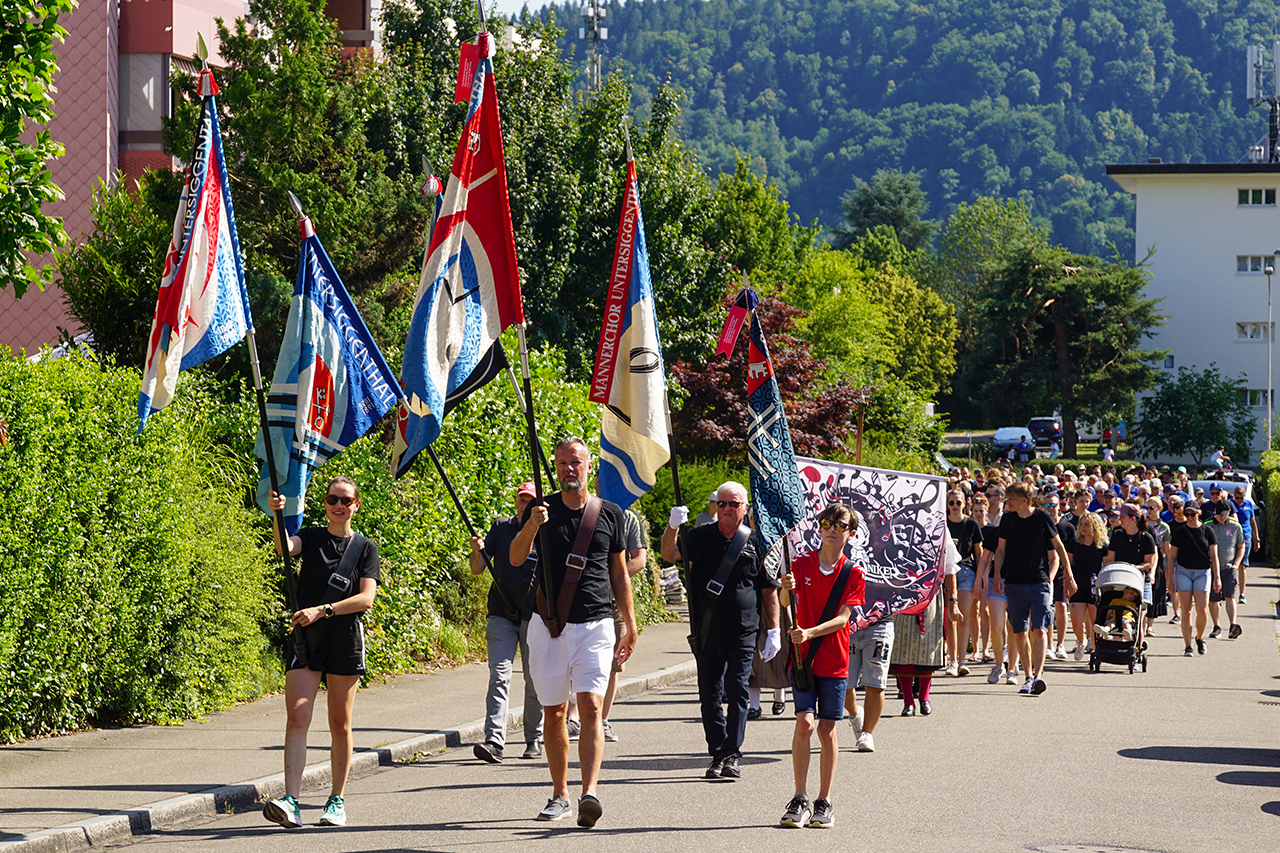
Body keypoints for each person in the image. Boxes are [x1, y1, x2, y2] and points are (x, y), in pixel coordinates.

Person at [510, 437, 636, 828]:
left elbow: (618, 573)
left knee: (592, 707)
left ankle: (590, 792)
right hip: (548, 626)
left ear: (588, 468)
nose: (569, 469)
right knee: (554, 711)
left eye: (576, 462)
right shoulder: (539, 509)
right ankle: (560, 792)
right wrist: (531, 525)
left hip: (596, 624)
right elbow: (515, 558)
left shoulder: (609, 513)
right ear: (556, 466)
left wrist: (630, 624)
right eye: (563, 462)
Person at [262, 478, 380, 830]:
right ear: (325, 504)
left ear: (356, 505)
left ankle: (336, 801)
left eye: (345, 500)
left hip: (344, 638)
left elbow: (366, 598)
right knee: (297, 718)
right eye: (332, 499)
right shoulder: (312, 537)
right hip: (306, 640)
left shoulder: (364, 548)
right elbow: (285, 548)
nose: (338, 505)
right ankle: (291, 801)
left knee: (339, 724)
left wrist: (324, 609)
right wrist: (278, 514)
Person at [661, 482, 781, 781]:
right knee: (709, 694)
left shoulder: (757, 541)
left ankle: (732, 754)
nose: (727, 509)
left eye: (734, 504)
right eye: (722, 503)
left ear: (745, 508)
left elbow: (768, 590)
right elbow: (668, 554)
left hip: (744, 630)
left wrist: (775, 630)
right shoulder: (700, 536)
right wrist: (673, 526)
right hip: (707, 629)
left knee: (738, 689)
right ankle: (717, 752)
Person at [777, 504, 865, 829]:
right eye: (826, 523)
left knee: (827, 730)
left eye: (839, 525)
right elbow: (786, 604)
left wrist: (810, 632)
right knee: (804, 723)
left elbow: (843, 618)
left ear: (850, 533)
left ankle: (823, 801)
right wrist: (786, 589)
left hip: (834, 660)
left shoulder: (853, 573)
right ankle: (799, 797)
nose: (831, 529)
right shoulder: (800, 564)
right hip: (802, 660)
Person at [469, 483, 544, 763]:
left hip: (534, 615)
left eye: (530, 501)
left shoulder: (546, 532)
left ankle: (533, 738)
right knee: (499, 676)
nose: (524, 505)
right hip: (501, 614)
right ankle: (494, 741)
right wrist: (477, 551)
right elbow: (477, 569)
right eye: (521, 500)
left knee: (533, 678)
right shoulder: (500, 528)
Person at [991, 482, 1074, 695]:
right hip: (1014, 582)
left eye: (1011, 499)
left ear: (1024, 501)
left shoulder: (1042, 518)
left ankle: (1038, 675)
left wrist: (1069, 576)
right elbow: (1000, 550)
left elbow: (1059, 548)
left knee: (1040, 628)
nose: (1007, 503)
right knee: (1019, 632)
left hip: (1039, 581)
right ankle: (1027, 676)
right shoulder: (1008, 519)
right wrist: (998, 575)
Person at [599, 508, 649, 743]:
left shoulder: (628, 518)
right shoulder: (584, 511)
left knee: (614, 663)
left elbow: (639, 560)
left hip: (615, 601)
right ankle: (573, 718)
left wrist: (614, 577)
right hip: (584, 602)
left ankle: (603, 719)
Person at [1167, 501, 1221, 657]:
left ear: (1199, 513)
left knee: (1202, 610)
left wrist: (1217, 578)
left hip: (1202, 572)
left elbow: (1214, 556)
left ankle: (1199, 637)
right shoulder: (1180, 532)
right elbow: (1172, 557)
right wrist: (1170, 579)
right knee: (1186, 611)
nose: (1189, 517)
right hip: (1183, 571)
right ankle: (1188, 645)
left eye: (1192, 514)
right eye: (1187, 514)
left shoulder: (1208, 531)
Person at [944, 489, 983, 676]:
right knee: (949, 618)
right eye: (951, 503)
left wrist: (981, 578)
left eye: (958, 503)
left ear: (965, 503)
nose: (954, 506)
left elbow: (978, 553)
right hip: (945, 573)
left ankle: (961, 660)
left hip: (966, 571)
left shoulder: (971, 524)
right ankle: (951, 661)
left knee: (963, 616)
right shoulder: (942, 523)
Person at [1068, 512, 1107, 659]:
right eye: (1081, 524)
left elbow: (1107, 565)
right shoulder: (1074, 543)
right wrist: (1067, 581)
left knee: (1094, 620)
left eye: (1087, 525)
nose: (1083, 527)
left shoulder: (1102, 545)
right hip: (1077, 584)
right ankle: (1081, 640)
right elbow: (1068, 564)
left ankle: (1096, 650)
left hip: (1095, 585)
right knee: (1077, 620)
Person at [1104, 504, 1157, 610]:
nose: (1120, 519)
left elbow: (1148, 563)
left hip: (1140, 578)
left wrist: (1133, 568)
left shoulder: (1146, 537)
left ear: (1133, 519)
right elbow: (1109, 558)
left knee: (1141, 610)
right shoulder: (1117, 534)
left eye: (1122, 517)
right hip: (1119, 578)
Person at [1206, 501, 1245, 640]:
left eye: (1224, 515)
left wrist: (1236, 563)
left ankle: (1233, 625)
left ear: (1229, 512)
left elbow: (1241, 546)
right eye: (1219, 514)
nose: (1221, 517)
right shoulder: (1207, 525)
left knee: (1230, 596)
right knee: (1213, 598)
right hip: (1211, 568)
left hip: (1229, 567)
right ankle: (1216, 626)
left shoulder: (1235, 526)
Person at [1230, 485, 1259, 604]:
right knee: (1229, 564)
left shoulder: (1248, 504)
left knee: (1242, 565)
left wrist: (1257, 539)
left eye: (1241, 498)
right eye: (1237, 498)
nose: (1239, 500)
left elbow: (1252, 522)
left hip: (1246, 536)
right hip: (1232, 536)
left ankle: (1242, 593)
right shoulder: (1229, 503)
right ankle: (1228, 591)